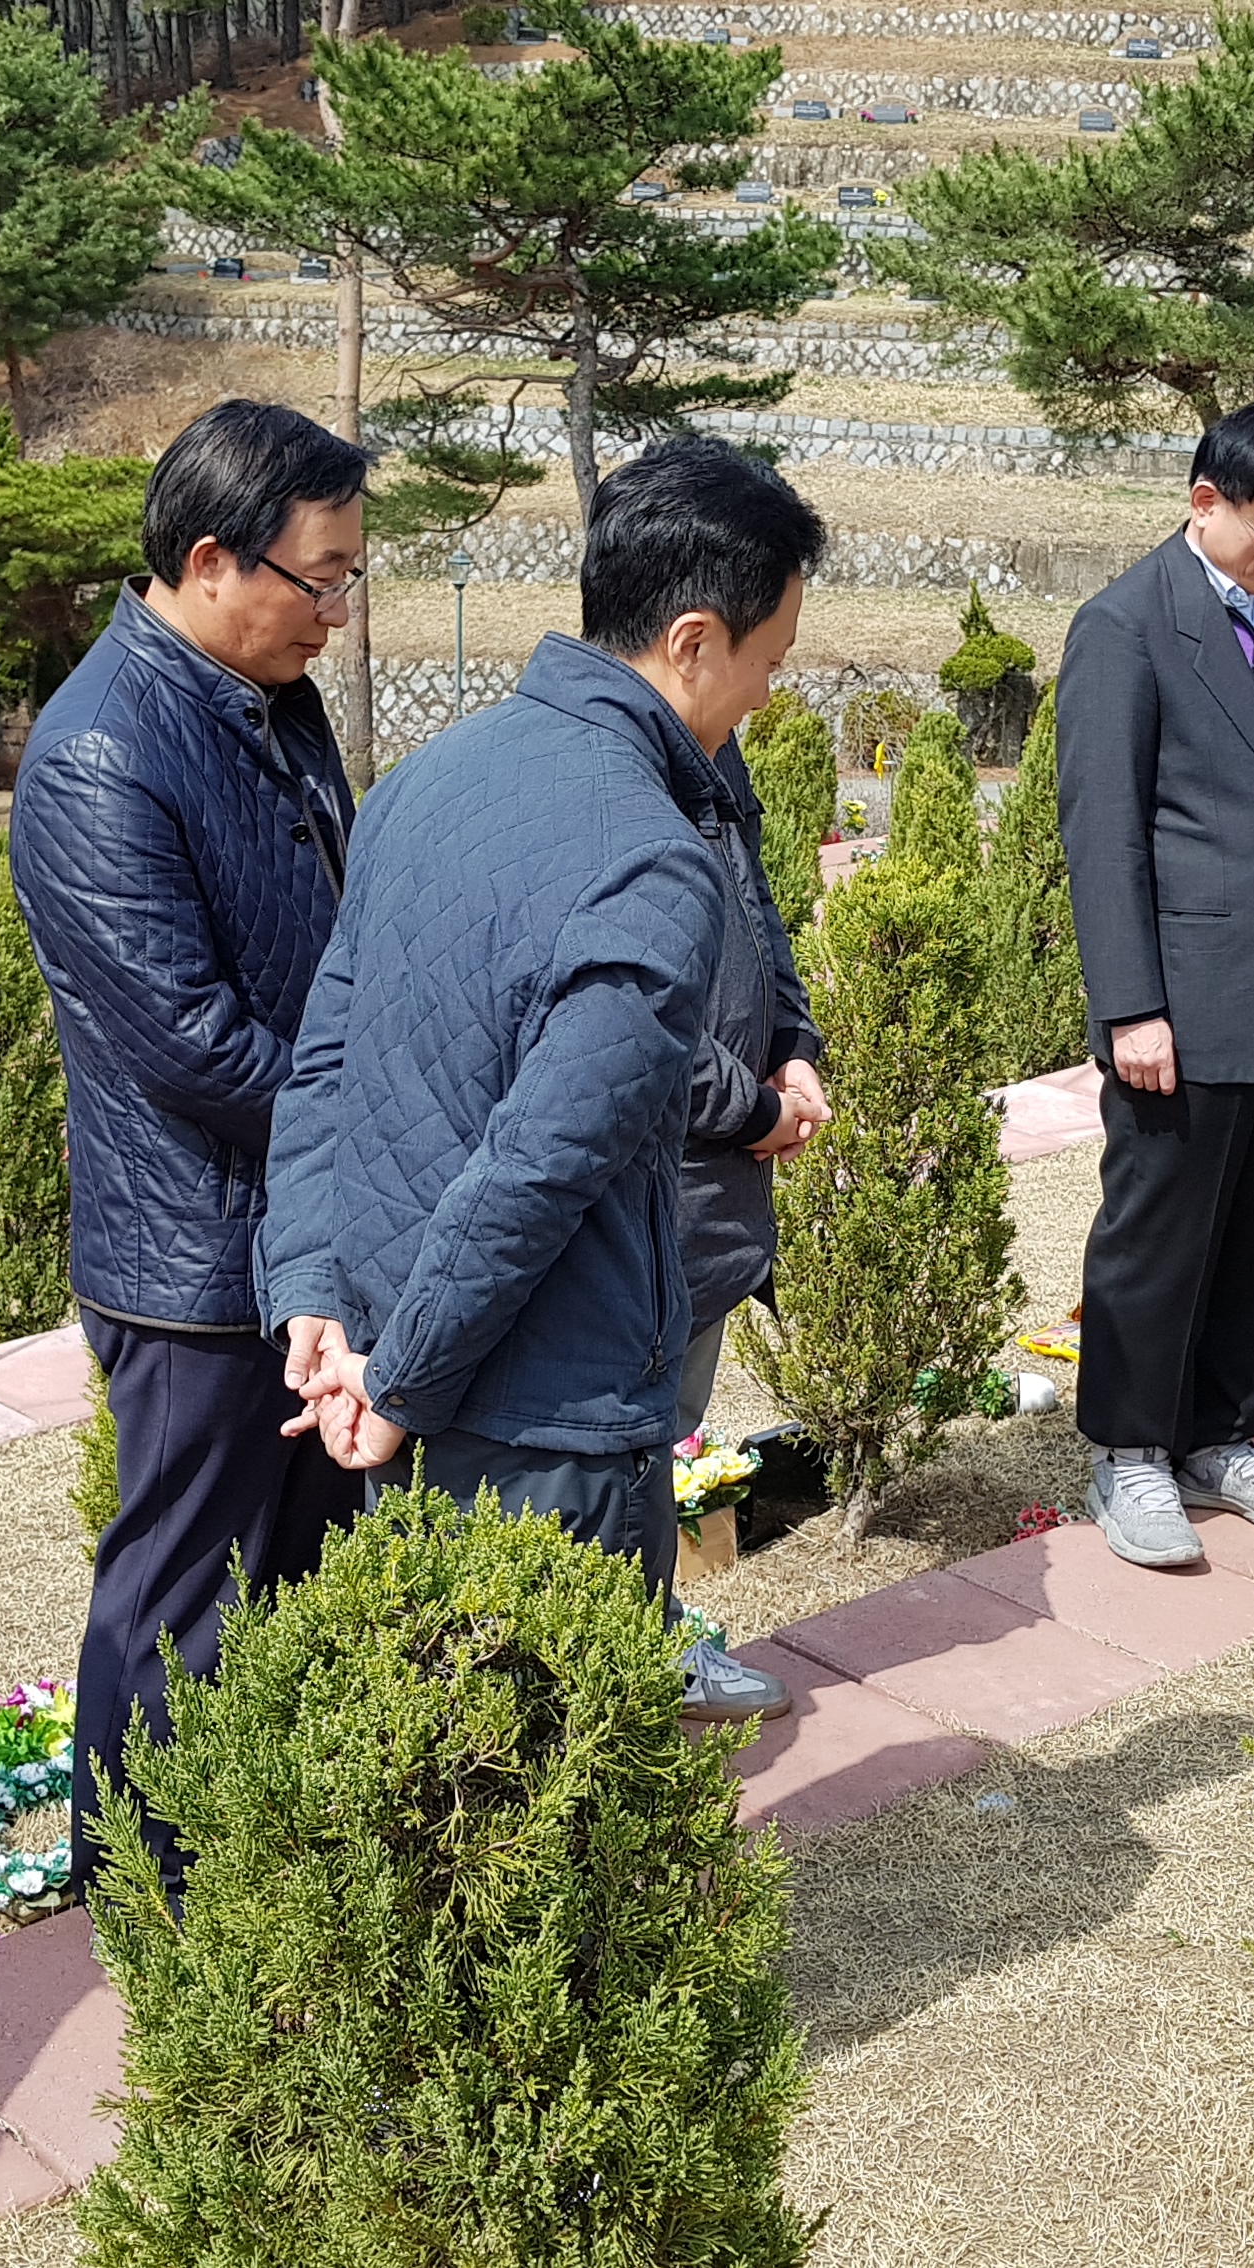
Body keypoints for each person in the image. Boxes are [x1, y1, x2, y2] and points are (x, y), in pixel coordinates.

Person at [262, 437, 828, 1686]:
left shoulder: (421, 781)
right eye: (769, 660)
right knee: (550, 1789)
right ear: (692, 641)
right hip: (545, 1411)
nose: (769, 697)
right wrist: (402, 1376)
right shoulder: (650, 856)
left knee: (444, 1770)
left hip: (393, 1351)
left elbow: (324, 1066)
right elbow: (541, 1163)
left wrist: (313, 1296)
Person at [11, 400, 368, 1892]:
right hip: (194, 1265)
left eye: (350, 579)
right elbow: (191, 1045)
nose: (334, 617)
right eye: (320, 579)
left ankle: (268, 1863)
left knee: (308, 1573)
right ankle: (149, 1898)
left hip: (308, 1225)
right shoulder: (102, 753)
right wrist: (378, 1125)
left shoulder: (268, 698)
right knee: (180, 1597)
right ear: (214, 561)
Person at [1057, 401, 1254, 1572]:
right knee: (1158, 1230)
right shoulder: (1127, 625)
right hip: (1181, 995)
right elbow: (1104, 832)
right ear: (1205, 503)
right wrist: (1132, 1002)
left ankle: (1223, 1433)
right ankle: (1130, 1452)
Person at [668, 704, 833, 1721]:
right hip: (654, 1179)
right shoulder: (601, 764)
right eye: (764, 654)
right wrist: (753, 1108)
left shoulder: (713, 743)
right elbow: (629, 1014)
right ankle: (616, 1659)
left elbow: (755, 909)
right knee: (614, 1447)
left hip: (718, 1186)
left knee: (669, 1427)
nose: (768, 689)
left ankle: (649, 1639)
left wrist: (793, 1041)